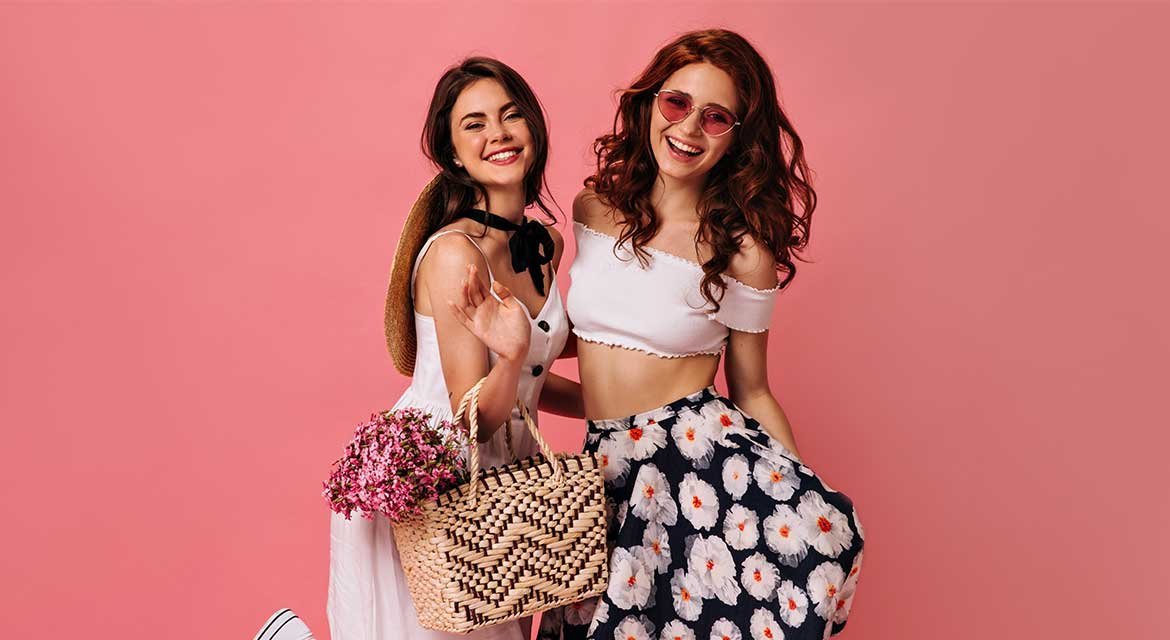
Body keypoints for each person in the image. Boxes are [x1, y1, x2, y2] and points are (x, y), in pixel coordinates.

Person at [533, 29, 865, 640]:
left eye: (715, 117)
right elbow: (580, 346)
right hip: (602, 468)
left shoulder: (743, 253)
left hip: (692, 470)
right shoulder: (592, 210)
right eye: (677, 102)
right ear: (649, 103)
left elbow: (753, 389)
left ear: (737, 136)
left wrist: (801, 499)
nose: (688, 128)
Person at [324, 56, 579, 640]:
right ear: (454, 154)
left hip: (511, 480)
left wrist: (630, 402)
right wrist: (509, 355)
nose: (498, 134)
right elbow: (476, 419)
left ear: (534, 127)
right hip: (441, 481)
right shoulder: (454, 255)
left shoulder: (544, 244)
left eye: (511, 115)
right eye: (475, 124)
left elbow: (533, 381)